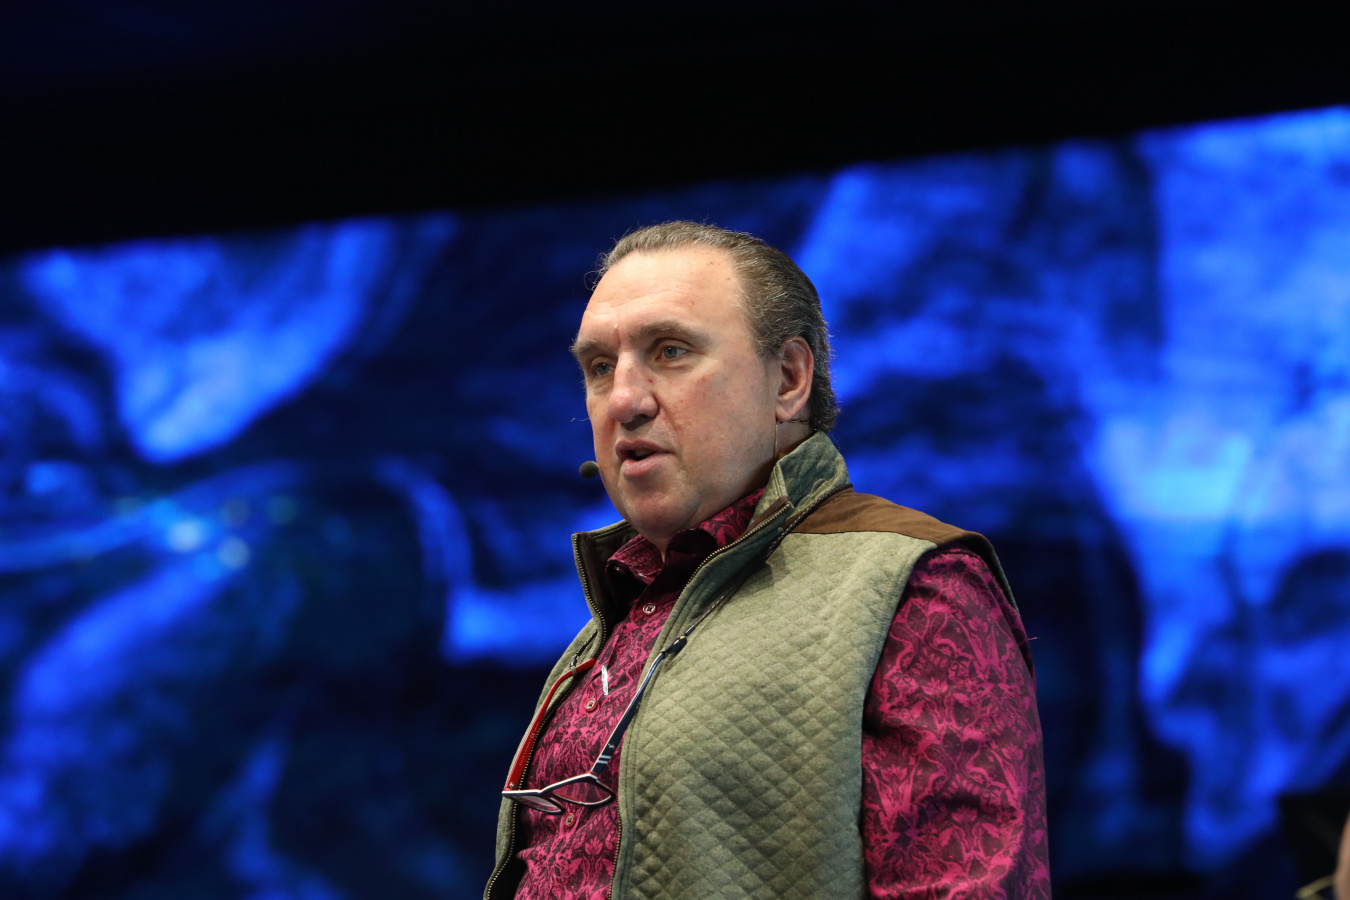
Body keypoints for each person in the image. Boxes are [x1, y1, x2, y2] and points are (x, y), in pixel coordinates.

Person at [485, 222, 1051, 899]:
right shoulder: (617, 618)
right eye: (600, 367)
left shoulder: (915, 586)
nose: (626, 401)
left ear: (788, 379)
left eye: (670, 351)